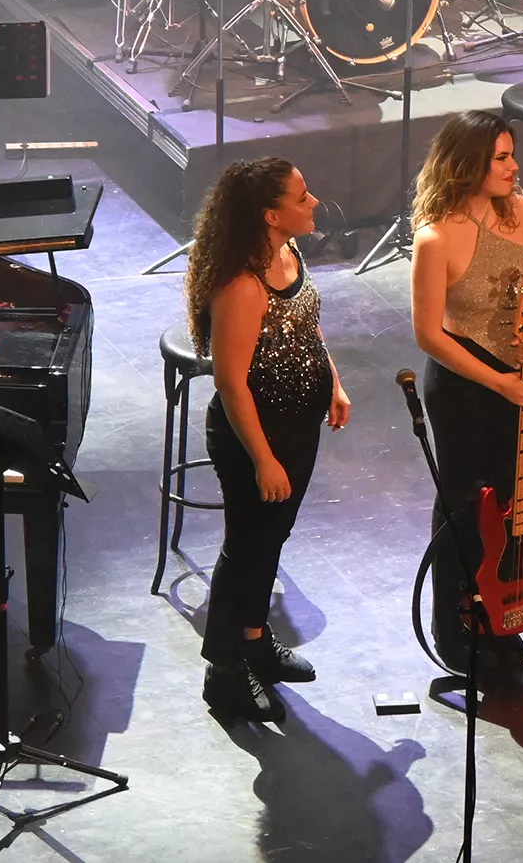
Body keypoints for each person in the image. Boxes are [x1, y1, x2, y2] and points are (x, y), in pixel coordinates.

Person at [186, 158, 350, 723]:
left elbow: (306, 322)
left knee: (271, 541)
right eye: (303, 198)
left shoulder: (287, 253)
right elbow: (231, 383)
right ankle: (224, 671)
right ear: (270, 214)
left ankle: (255, 642)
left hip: (298, 424)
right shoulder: (241, 284)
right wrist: (262, 459)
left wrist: (334, 381)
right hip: (254, 434)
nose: (315, 203)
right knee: (247, 548)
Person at [410, 109, 523, 674]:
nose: (514, 166)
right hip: (465, 386)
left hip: (520, 378)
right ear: (466, 164)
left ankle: (498, 614)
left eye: (511, 154)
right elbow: (427, 333)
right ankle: (455, 627)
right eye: (501, 157)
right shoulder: (436, 236)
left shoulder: (522, 214)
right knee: (466, 505)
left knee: (510, 502)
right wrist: (497, 379)